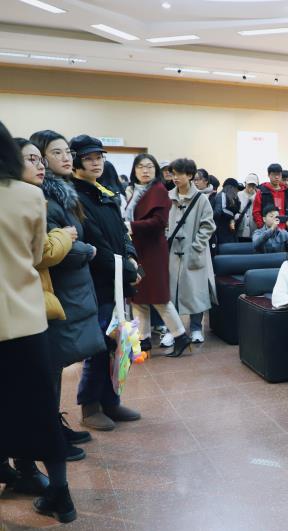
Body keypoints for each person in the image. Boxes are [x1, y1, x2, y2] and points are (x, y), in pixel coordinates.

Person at [0, 120, 77, 523]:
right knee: (40, 407)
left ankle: (16, 472)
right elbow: (34, 255)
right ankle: (60, 494)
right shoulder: (29, 196)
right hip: (24, 320)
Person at [32, 130, 102, 458]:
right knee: (50, 364)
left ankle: (52, 426)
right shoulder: (42, 198)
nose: (65, 158)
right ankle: (47, 434)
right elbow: (53, 248)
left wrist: (80, 245)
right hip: (56, 288)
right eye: (55, 152)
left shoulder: (64, 192)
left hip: (71, 287)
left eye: (67, 152)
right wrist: (87, 250)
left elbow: (73, 238)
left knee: (57, 362)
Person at [69, 135, 142, 431]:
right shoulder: (76, 196)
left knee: (118, 343)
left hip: (118, 278)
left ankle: (111, 401)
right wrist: (129, 270)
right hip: (98, 282)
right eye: (88, 158)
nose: (96, 162)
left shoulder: (104, 191)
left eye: (99, 157)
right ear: (76, 162)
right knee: (98, 346)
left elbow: (123, 233)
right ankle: (89, 407)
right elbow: (96, 244)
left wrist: (132, 257)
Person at [125, 153, 191, 357]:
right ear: (134, 170)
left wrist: (131, 226)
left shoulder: (159, 190)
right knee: (138, 297)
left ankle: (181, 336)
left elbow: (159, 222)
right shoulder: (136, 191)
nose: (145, 170)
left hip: (152, 251)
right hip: (137, 250)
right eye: (140, 167)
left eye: (149, 167)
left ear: (155, 170)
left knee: (159, 297)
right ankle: (143, 340)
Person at [167, 158, 217, 344]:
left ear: (189, 175)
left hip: (195, 252)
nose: (175, 177)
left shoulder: (201, 199)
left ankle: (196, 328)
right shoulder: (168, 197)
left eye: (179, 174)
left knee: (196, 291)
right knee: (171, 292)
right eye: (173, 174)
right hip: (172, 253)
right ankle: (173, 330)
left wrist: (196, 246)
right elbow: (163, 222)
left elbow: (208, 225)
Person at [253, 163, 288, 232]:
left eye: (279, 174)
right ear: (268, 175)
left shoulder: (287, 192)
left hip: (285, 230)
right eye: (274, 174)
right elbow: (256, 212)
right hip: (268, 230)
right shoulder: (262, 192)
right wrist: (262, 227)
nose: (277, 177)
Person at [213, 178, 242, 247]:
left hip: (229, 232)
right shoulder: (221, 195)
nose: (237, 191)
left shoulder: (233, 199)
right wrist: (233, 216)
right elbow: (219, 211)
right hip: (221, 232)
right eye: (236, 188)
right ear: (231, 188)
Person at [236, 173, 259, 242]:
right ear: (245, 183)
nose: (251, 187)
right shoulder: (238, 195)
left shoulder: (258, 196)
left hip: (254, 229)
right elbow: (234, 210)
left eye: (253, 185)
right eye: (249, 184)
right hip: (241, 229)